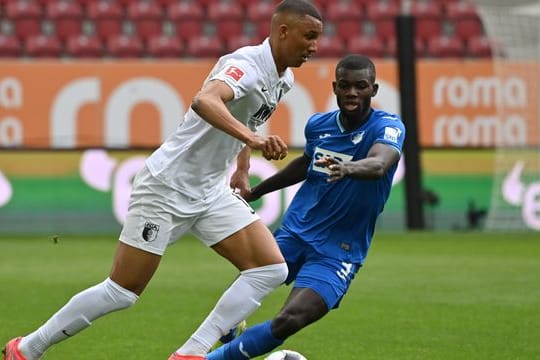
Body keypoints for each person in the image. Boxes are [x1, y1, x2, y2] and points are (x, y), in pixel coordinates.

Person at [2, 1, 323, 360]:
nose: (314, 47)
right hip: (167, 187)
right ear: (283, 31)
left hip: (210, 190)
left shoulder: (284, 78)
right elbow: (205, 101)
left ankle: (190, 353)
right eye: (309, 37)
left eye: (317, 39)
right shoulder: (245, 65)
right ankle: (27, 348)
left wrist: (243, 167)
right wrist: (252, 141)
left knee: (270, 268)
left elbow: (248, 118)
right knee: (122, 292)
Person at [206, 54, 406, 360]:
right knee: (248, 280)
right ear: (335, 88)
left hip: (339, 250)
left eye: (361, 86)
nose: (352, 92)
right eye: (345, 86)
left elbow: (380, 163)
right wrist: (256, 191)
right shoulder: (319, 125)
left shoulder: (387, 127)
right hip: (297, 232)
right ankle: (228, 329)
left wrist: (349, 169)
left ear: (373, 90)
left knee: (290, 320)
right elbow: (305, 164)